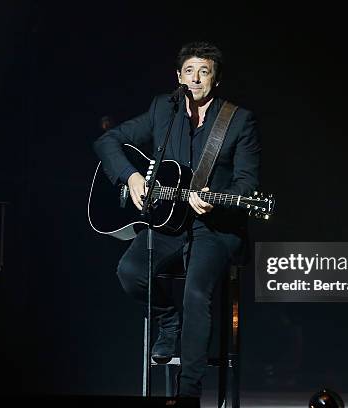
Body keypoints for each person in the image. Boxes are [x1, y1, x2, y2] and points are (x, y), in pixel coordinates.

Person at [93, 41, 260, 397]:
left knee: (197, 295)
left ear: (215, 78)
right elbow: (108, 142)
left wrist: (216, 201)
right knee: (130, 272)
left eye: (204, 72)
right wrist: (131, 177)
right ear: (179, 76)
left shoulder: (239, 120)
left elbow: (247, 184)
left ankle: (188, 392)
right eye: (189, 71)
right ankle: (168, 322)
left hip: (213, 226)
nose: (196, 79)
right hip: (168, 221)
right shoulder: (162, 110)